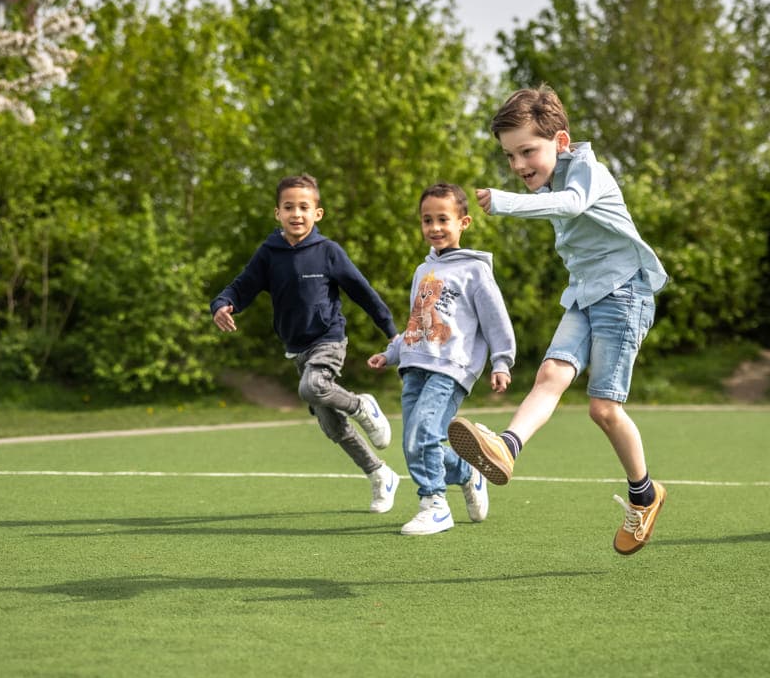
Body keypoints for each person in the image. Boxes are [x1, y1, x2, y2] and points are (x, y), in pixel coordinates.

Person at [446, 85, 669, 556]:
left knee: (603, 410)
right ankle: (507, 446)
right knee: (549, 375)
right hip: (585, 297)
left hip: (624, 293)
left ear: (561, 142)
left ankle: (644, 495)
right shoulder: (551, 180)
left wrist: (506, 201)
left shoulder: (586, 171)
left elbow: (570, 204)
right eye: (510, 156)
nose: (519, 165)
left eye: (527, 151)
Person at [210, 174, 401, 513]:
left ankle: (361, 406)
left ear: (318, 213)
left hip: (329, 338)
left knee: (312, 385)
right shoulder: (269, 253)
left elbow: (363, 292)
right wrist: (222, 305)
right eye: (288, 207)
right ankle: (380, 474)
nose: (296, 214)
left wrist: (390, 331)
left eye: (303, 207)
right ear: (277, 213)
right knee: (333, 427)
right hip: (296, 348)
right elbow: (241, 287)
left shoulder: (328, 252)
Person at [367, 183, 516, 535]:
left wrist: (502, 361)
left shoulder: (475, 270)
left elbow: (496, 319)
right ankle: (467, 473)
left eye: (442, 219)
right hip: (414, 366)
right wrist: (391, 353)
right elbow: (417, 321)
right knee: (414, 442)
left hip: (451, 369)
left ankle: (434, 503)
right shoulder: (424, 270)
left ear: (463, 222)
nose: (434, 227)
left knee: (425, 433)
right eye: (427, 220)